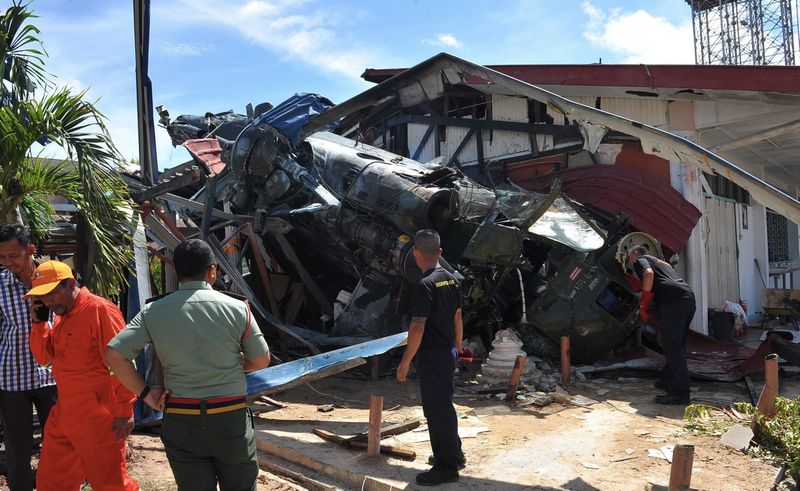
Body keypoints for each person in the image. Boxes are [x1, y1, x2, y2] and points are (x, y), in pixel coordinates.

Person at [105, 239, 270, 491]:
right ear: (212, 271)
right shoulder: (238, 308)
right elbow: (261, 359)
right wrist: (232, 365)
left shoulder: (154, 311)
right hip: (230, 419)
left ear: (176, 272)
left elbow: (114, 354)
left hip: (182, 420)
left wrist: (146, 393)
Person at [26, 260, 139, 491]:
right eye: (42, 297)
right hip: (65, 412)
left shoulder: (98, 310)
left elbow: (122, 361)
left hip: (98, 416)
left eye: (51, 294)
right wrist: (39, 324)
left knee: (111, 484)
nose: (47, 301)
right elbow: (43, 358)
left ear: (70, 283)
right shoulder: (60, 316)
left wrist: (124, 410)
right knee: (51, 483)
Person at [396, 229, 465, 486]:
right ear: (440, 253)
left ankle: (446, 466)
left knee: (436, 410)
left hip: (433, 355)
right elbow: (458, 316)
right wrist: (458, 347)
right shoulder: (452, 280)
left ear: (415, 253)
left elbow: (417, 326)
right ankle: (454, 454)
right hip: (447, 351)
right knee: (445, 405)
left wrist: (405, 362)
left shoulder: (423, 286)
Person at [0, 225, 58, 491]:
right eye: (2, 257)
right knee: (17, 449)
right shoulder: (0, 286)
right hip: (12, 375)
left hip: (52, 375)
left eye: (14, 255)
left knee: (60, 443)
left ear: (30, 250)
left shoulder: (53, 279)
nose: (8, 262)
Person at [626, 245, 696, 405]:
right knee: (676, 344)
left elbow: (648, 274)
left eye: (629, 257)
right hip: (687, 299)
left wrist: (643, 303)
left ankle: (681, 392)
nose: (629, 261)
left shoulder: (641, 260)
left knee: (672, 345)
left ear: (635, 253)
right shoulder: (662, 263)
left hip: (674, 303)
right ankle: (667, 380)